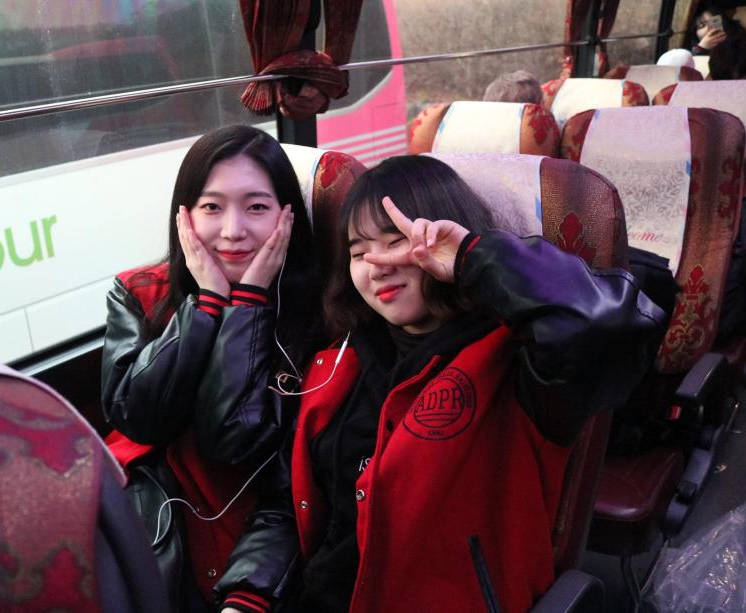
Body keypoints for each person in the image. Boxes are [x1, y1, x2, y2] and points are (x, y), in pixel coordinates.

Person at [228, 155, 666, 612]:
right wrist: (248, 595)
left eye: (398, 242)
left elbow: (606, 327)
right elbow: (288, 503)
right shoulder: (337, 365)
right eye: (359, 252)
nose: (377, 265)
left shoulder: (521, 366)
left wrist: (474, 257)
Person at [101, 125, 323, 613]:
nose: (233, 231)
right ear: (185, 215)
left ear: (287, 214)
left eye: (257, 207)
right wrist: (204, 308)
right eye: (212, 207)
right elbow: (137, 418)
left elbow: (231, 441)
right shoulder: (142, 293)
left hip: (264, 534)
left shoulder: (322, 313)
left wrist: (249, 303)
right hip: (155, 523)